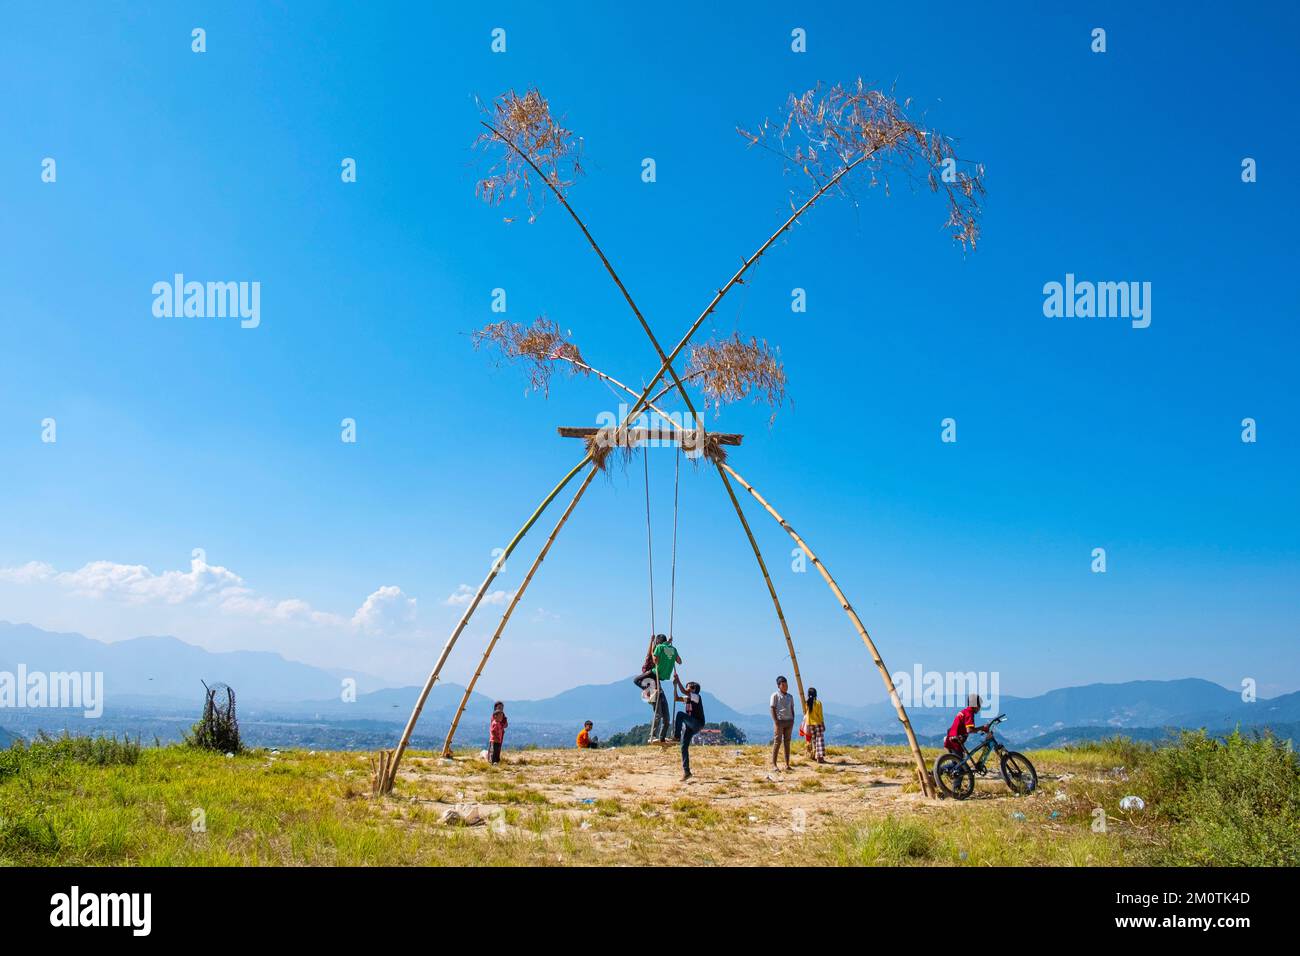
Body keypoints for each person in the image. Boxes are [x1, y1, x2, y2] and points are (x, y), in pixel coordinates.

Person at [632, 634, 683, 743]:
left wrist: (667, 645)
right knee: (658, 713)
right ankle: (653, 735)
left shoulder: (663, 649)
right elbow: (652, 655)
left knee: (666, 717)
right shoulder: (649, 662)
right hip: (651, 683)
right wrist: (653, 642)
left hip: (658, 684)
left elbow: (659, 653)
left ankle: (662, 738)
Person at [673, 680, 706, 781]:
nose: (687, 689)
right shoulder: (688, 699)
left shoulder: (696, 697)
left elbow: (683, 691)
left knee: (680, 714)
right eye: (687, 687)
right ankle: (687, 772)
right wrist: (675, 687)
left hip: (697, 723)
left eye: (689, 687)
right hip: (690, 726)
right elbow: (676, 698)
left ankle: (676, 737)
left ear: (694, 690)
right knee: (683, 747)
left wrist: (677, 680)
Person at [944, 693, 989, 757]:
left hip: (951, 739)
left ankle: (939, 767)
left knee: (956, 763)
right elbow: (969, 730)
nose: (980, 708)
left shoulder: (964, 711)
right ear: (976, 705)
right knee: (959, 765)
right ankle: (938, 767)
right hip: (955, 741)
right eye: (979, 706)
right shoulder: (969, 713)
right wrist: (983, 727)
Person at [770, 675, 796, 771]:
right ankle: (774, 764)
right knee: (777, 742)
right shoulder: (775, 695)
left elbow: (792, 708)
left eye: (786, 684)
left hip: (789, 721)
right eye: (783, 685)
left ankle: (787, 764)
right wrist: (776, 721)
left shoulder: (790, 696)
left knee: (787, 743)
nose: (785, 686)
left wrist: (793, 719)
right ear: (779, 686)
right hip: (779, 722)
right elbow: (772, 708)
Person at [804, 687, 826, 763]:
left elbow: (807, 713)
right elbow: (820, 715)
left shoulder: (807, 703)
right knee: (819, 740)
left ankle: (814, 755)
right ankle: (819, 758)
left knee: (814, 740)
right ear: (816, 694)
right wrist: (823, 723)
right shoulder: (818, 703)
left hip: (810, 724)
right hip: (818, 723)